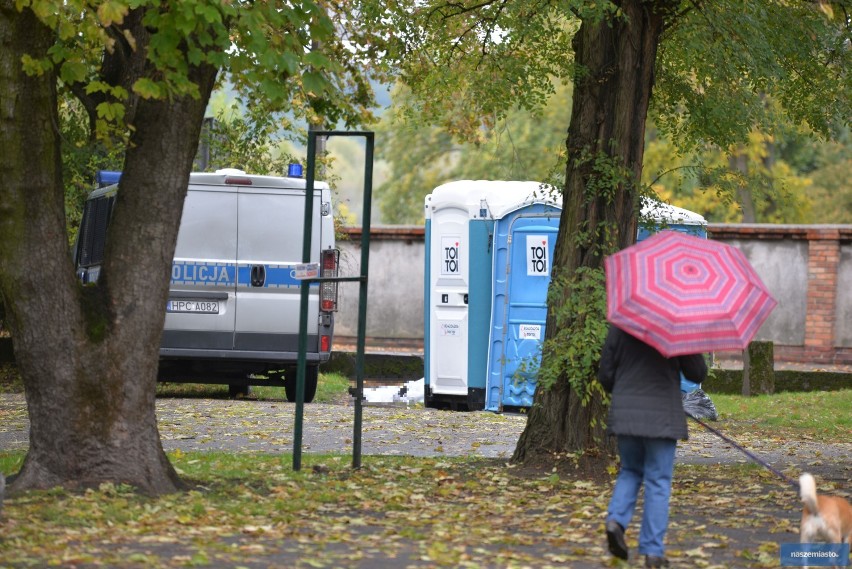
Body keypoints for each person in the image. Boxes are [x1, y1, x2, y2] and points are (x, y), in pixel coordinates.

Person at [597, 325, 707, 568]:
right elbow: (697, 372)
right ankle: (653, 552)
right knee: (658, 481)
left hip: (627, 414)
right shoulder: (677, 325)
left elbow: (605, 374)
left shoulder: (622, 324)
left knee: (630, 471)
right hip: (662, 416)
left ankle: (615, 521)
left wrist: (626, 391)